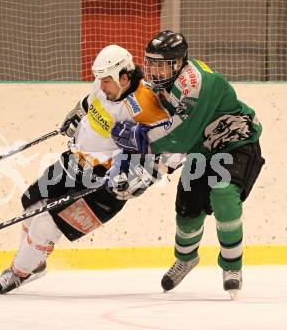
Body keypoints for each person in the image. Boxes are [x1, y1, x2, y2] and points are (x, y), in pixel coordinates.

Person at [0, 44, 170, 294]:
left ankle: (18, 273)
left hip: (105, 185)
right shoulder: (102, 86)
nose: (101, 86)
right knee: (30, 204)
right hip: (74, 162)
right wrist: (76, 114)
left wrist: (143, 177)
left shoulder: (147, 105)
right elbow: (88, 102)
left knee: (45, 226)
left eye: (106, 81)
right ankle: (34, 264)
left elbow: (171, 149)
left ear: (124, 78)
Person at [109, 30, 264, 298]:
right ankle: (186, 258)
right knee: (187, 210)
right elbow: (176, 137)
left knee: (223, 193)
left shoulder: (196, 84)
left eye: (162, 64)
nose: (155, 70)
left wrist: (141, 141)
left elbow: (179, 137)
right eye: (151, 62)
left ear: (179, 62)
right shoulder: (161, 85)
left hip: (236, 141)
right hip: (201, 148)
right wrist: (145, 167)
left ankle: (232, 266)